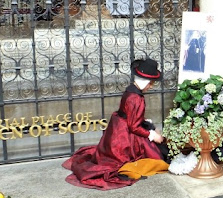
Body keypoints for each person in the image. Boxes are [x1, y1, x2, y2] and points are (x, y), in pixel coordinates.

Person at [62, 58, 170, 190]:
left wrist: (144, 121)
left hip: (119, 128)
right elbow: (133, 127)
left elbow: (130, 116)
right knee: (157, 155)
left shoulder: (131, 91)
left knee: (155, 145)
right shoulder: (135, 98)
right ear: (145, 82)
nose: (151, 86)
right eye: (151, 83)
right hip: (125, 134)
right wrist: (153, 135)